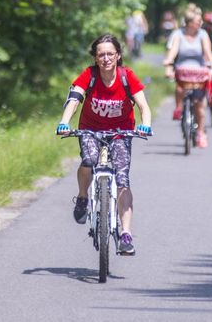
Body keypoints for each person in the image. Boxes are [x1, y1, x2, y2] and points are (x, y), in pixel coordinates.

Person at [56, 34, 152, 255]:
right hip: (90, 129)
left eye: (110, 54)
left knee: (122, 178)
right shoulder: (89, 75)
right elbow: (74, 99)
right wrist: (64, 122)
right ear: (95, 58)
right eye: (101, 55)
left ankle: (125, 234)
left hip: (121, 132)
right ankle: (83, 197)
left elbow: (143, 106)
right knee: (89, 160)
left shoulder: (127, 76)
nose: (106, 58)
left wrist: (145, 125)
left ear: (118, 55)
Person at [163, 9, 212, 148]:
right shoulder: (178, 34)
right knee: (180, 88)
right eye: (198, 21)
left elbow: (207, 52)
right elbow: (173, 50)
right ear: (189, 23)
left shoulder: (203, 34)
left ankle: (200, 133)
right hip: (183, 68)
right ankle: (179, 108)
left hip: (199, 70)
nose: (201, 23)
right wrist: (169, 62)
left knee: (199, 104)